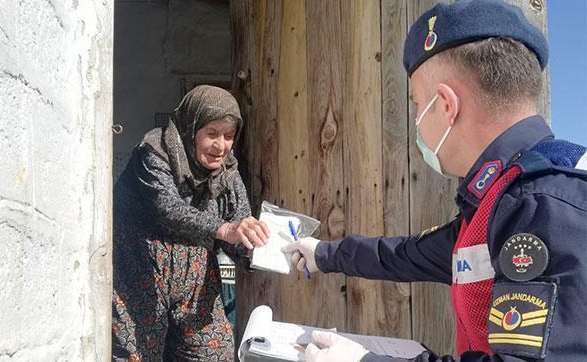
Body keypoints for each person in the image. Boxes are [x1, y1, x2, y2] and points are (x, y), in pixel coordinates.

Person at [284, 0, 587, 361]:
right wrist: (323, 254)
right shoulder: (502, 199)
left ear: (445, 105)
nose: (416, 121)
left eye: (415, 103)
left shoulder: (543, 203)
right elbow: (407, 255)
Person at [112, 85, 270, 361]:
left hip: (196, 282)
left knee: (213, 354)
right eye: (211, 134)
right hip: (139, 275)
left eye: (229, 136)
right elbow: (167, 208)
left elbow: (239, 228)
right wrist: (224, 229)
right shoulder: (154, 154)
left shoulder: (227, 174)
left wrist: (265, 248)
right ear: (191, 128)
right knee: (135, 355)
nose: (221, 146)